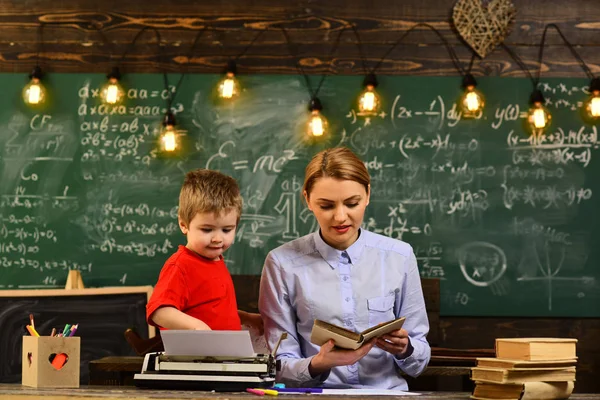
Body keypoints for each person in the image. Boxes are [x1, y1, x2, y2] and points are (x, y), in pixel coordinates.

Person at [259, 147, 430, 389]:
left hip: (386, 396)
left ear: (368, 195)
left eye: (352, 203)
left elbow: (419, 361)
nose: (340, 217)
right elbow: (279, 365)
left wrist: (406, 349)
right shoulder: (281, 263)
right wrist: (318, 363)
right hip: (316, 396)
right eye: (326, 206)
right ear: (307, 199)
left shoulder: (399, 256)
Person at [147, 168, 262, 333]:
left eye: (227, 230)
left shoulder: (216, 261)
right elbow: (159, 311)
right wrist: (197, 327)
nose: (217, 238)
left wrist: (245, 318)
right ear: (183, 224)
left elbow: (210, 312)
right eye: (207, 230)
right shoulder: (180, 266)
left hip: (221, 354)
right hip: (196, 357)